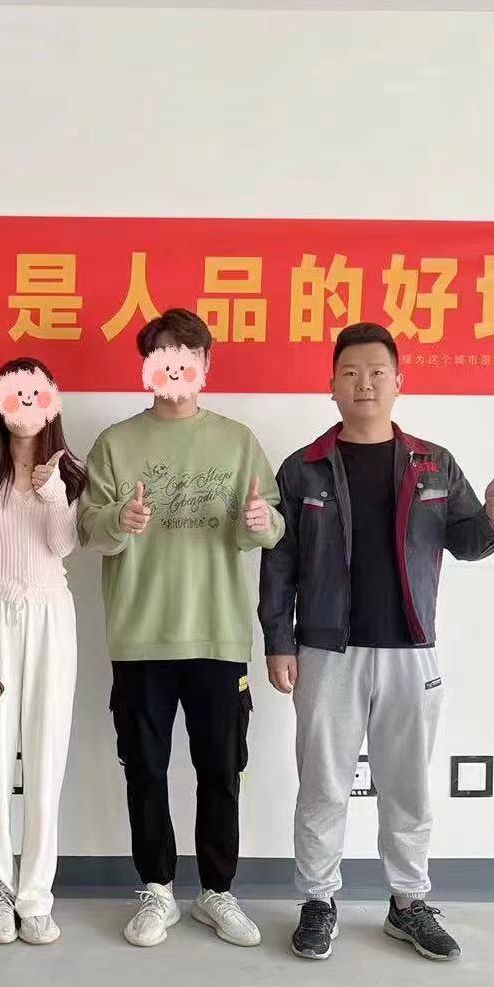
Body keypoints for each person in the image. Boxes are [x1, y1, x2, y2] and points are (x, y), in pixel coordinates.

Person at [259, 322, 494, 963]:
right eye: (351, 372)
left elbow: (467, 543)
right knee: (323, 786)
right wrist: (278, 640)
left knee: (408, 787)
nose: (364, 383)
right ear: (332, 384)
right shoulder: (304, 469)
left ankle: (408, 902)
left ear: (399, 381)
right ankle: (319, 901)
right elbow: (279, 560)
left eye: (377, 372)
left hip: (411, 650)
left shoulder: (433, 463)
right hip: (326, 651)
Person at [77, 308, 284, 950]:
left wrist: (260, 522)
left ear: (205, 365)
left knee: (221, 770)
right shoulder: (115, 443)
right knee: (145, 769)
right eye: (162, 354)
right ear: (147, 368)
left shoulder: (238, 441)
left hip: (218, 635)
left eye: (186, 354)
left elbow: (270, 525)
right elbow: (88, 529)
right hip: (141, 636)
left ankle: (217, 892)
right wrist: (120, 520)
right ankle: (157, 889)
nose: (174, 365)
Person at [0, 358, 88, 947]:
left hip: (51, 618)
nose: (25, 404)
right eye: (13, 393)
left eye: (36, 393)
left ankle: (35, 896)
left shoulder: (70, 473)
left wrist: (54, 491)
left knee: (45, 759)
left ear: (51, 401)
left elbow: (62, 546)